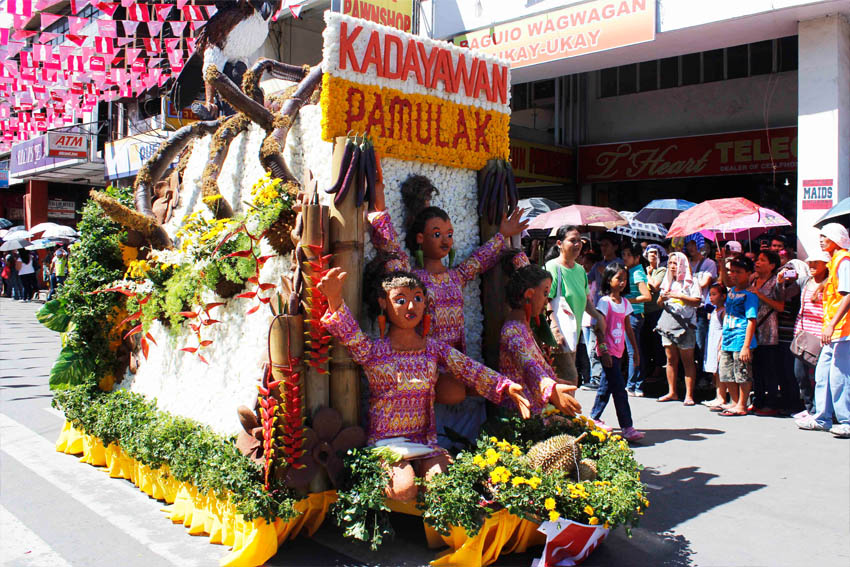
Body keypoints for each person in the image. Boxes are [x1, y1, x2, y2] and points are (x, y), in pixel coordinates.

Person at [318, 267, 531, 499]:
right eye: (401, 300)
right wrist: (334, 298)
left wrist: (505, 385)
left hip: (424, 441)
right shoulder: (374, 352)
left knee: (442, 486)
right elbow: (350, 334)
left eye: (417, 298)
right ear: (383, 303)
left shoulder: (433, 349)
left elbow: (469, 368)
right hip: (387, 444)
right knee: (404, 489)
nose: (411, 307)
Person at [367, 175, 528, 447]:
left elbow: (478, 262)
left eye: (449, 234)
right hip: (430, 362)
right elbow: (391, 248)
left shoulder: (454, 277)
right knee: (453, 394)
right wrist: (379, 206)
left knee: (469, 391)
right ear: (420, 238)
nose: (445, 241)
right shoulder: (414, 280)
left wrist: (503, 235)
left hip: (457, 359)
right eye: (437, 234)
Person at [499, 250, 582, 415]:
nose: (547, 300)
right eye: (545, 293)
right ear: (529, 295)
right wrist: (550, 387)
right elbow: (528, 365)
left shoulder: (523, 327)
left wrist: (554, 381)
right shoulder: (512, 332)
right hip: (523, 414)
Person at [796, 224, 850, 438]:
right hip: (833, 330)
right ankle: (822, 417)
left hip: (843, 330)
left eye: (825, 236)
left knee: (839, 377)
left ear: (837, 238)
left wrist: (831, 324)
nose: (821, 240)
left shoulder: (844, 261)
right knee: (822, 374)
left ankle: (846, 421)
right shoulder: (836, 262)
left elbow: (848, 295)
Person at [589, 263, 644, 441]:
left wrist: (635, 351)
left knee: (606, 387)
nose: (622, 282)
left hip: (618, 352)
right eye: (618, 278)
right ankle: (627, 426)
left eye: (624, 279)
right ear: (609, 280)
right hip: (607, 351)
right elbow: (598, 327)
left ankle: (594, 417)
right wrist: (603, 349)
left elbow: (628, 329)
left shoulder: (625, 303)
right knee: (619, 389)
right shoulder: (605, 302)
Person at [545, 226, 606, 387]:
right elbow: (546, 300)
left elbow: (585, 301)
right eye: (572, 240)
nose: (577, 244)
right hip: (558, 335)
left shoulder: (580, 270)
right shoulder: (553, 267)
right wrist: (555, 330)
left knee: (568, 380)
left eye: (579, 241)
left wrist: (598, 316)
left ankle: (564, 412)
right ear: (559, 243)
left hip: (573, 334)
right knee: (568, 379)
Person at [655, 252, 702, 405]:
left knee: (687, 360)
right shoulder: (668, 281)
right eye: (670, 263)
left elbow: (696, 301)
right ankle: (672, 391)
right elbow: (659, 303)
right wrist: (663, 298)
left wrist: (679, 296)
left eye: (675, 263)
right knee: (670, 359)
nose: (672, 266)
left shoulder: (691, 281)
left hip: (685, 324)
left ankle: (689, 395)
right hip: (668, 322)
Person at [717, 256, 758, 417]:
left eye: (738, 272)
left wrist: (746, 345)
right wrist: (721, 263)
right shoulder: (732, 291)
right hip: (728, 337)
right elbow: (726, 282)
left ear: (748, 273)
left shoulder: (750, 295)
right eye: (732, 271)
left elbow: (751, 320)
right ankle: (734, 402)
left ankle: (742, 404)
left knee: (742, 373)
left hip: (740, 339)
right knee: (726, 373)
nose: (734, 275)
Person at [790, 251, 828, 419]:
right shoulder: (805, 281)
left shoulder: (831, 284)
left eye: (816, 263)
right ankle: (810, 407)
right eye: (810, 262)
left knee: (820, 376)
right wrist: (780, 281)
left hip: (820, 334)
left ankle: (822, 410)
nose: (812, 266)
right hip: (802, 334)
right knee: (800, 373)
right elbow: (784, 293)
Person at [748, 250, 785, 416]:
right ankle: (758, 399)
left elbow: (779, 306)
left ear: (772, 265)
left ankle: (772, 403)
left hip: (768, 331)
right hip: (752, 330)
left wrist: (759, 294)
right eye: (757, 259)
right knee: (756, 368)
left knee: (769, 369)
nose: (757, 262)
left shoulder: (776, 281)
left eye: (762, 260)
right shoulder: (752, 279)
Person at [685, 235, 718, 389]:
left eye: (693, 244)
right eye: (688, 244)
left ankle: (705, 376)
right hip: (686, 309)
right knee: (688, 345)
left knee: (701, 343)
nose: (690, 247)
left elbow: (705, 283)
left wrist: (688, 277)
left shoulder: (709, 263)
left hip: (701, 309)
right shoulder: (685, 263)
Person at [622, 242, 651, 397]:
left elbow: (646, 296)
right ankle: (636, 384)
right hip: (631, 315)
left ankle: (632, 385)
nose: (625, 258)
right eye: (624, 254)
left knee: (633, 351)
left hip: (634, 316)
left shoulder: (637, 273)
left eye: (628, 255)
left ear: (637, 257)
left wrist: (628, 301)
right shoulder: (631, 270)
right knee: (634, 350)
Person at [703, 283, 731, 411]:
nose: (711, 297)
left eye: (714, 294)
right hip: (712, 342)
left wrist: (721, 345)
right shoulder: (714, 310)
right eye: (710, 295)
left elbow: (725, 330)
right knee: (715, 371)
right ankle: (718, 395)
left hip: (719, 343)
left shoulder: (724, 311)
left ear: (723, 296)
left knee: (720, 370)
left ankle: (722, 397)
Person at [642, 244, 667, 381]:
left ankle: (658, 368)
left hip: (656, 310)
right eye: (650, 253)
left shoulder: (661, 270)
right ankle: (649, 367)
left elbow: (655, 287)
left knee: (657, 340)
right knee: (647, 341)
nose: (652, 255)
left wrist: (649, 274)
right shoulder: (644, 269)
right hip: (645, 309)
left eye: (655, 253)